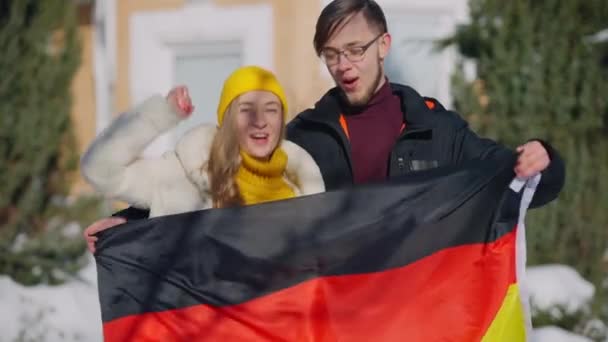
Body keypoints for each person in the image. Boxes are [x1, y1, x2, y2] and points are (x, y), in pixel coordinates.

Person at [84, 0, 565, 247]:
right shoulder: (305, 136)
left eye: (355, 49)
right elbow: (220, 187)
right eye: (331, 55)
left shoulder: (437, 129)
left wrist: (542, 157)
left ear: (384, 45)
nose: (344, 65)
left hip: (418, 309)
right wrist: (129, 224)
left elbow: (514, 179)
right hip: (336, 317)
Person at [81, 65, 325, 252]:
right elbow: (100, 169)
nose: (259, 121)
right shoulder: (181, 176)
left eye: (271, 109)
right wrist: (161, 115)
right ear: (227, 118)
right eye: (246, 110)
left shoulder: (305, 192)